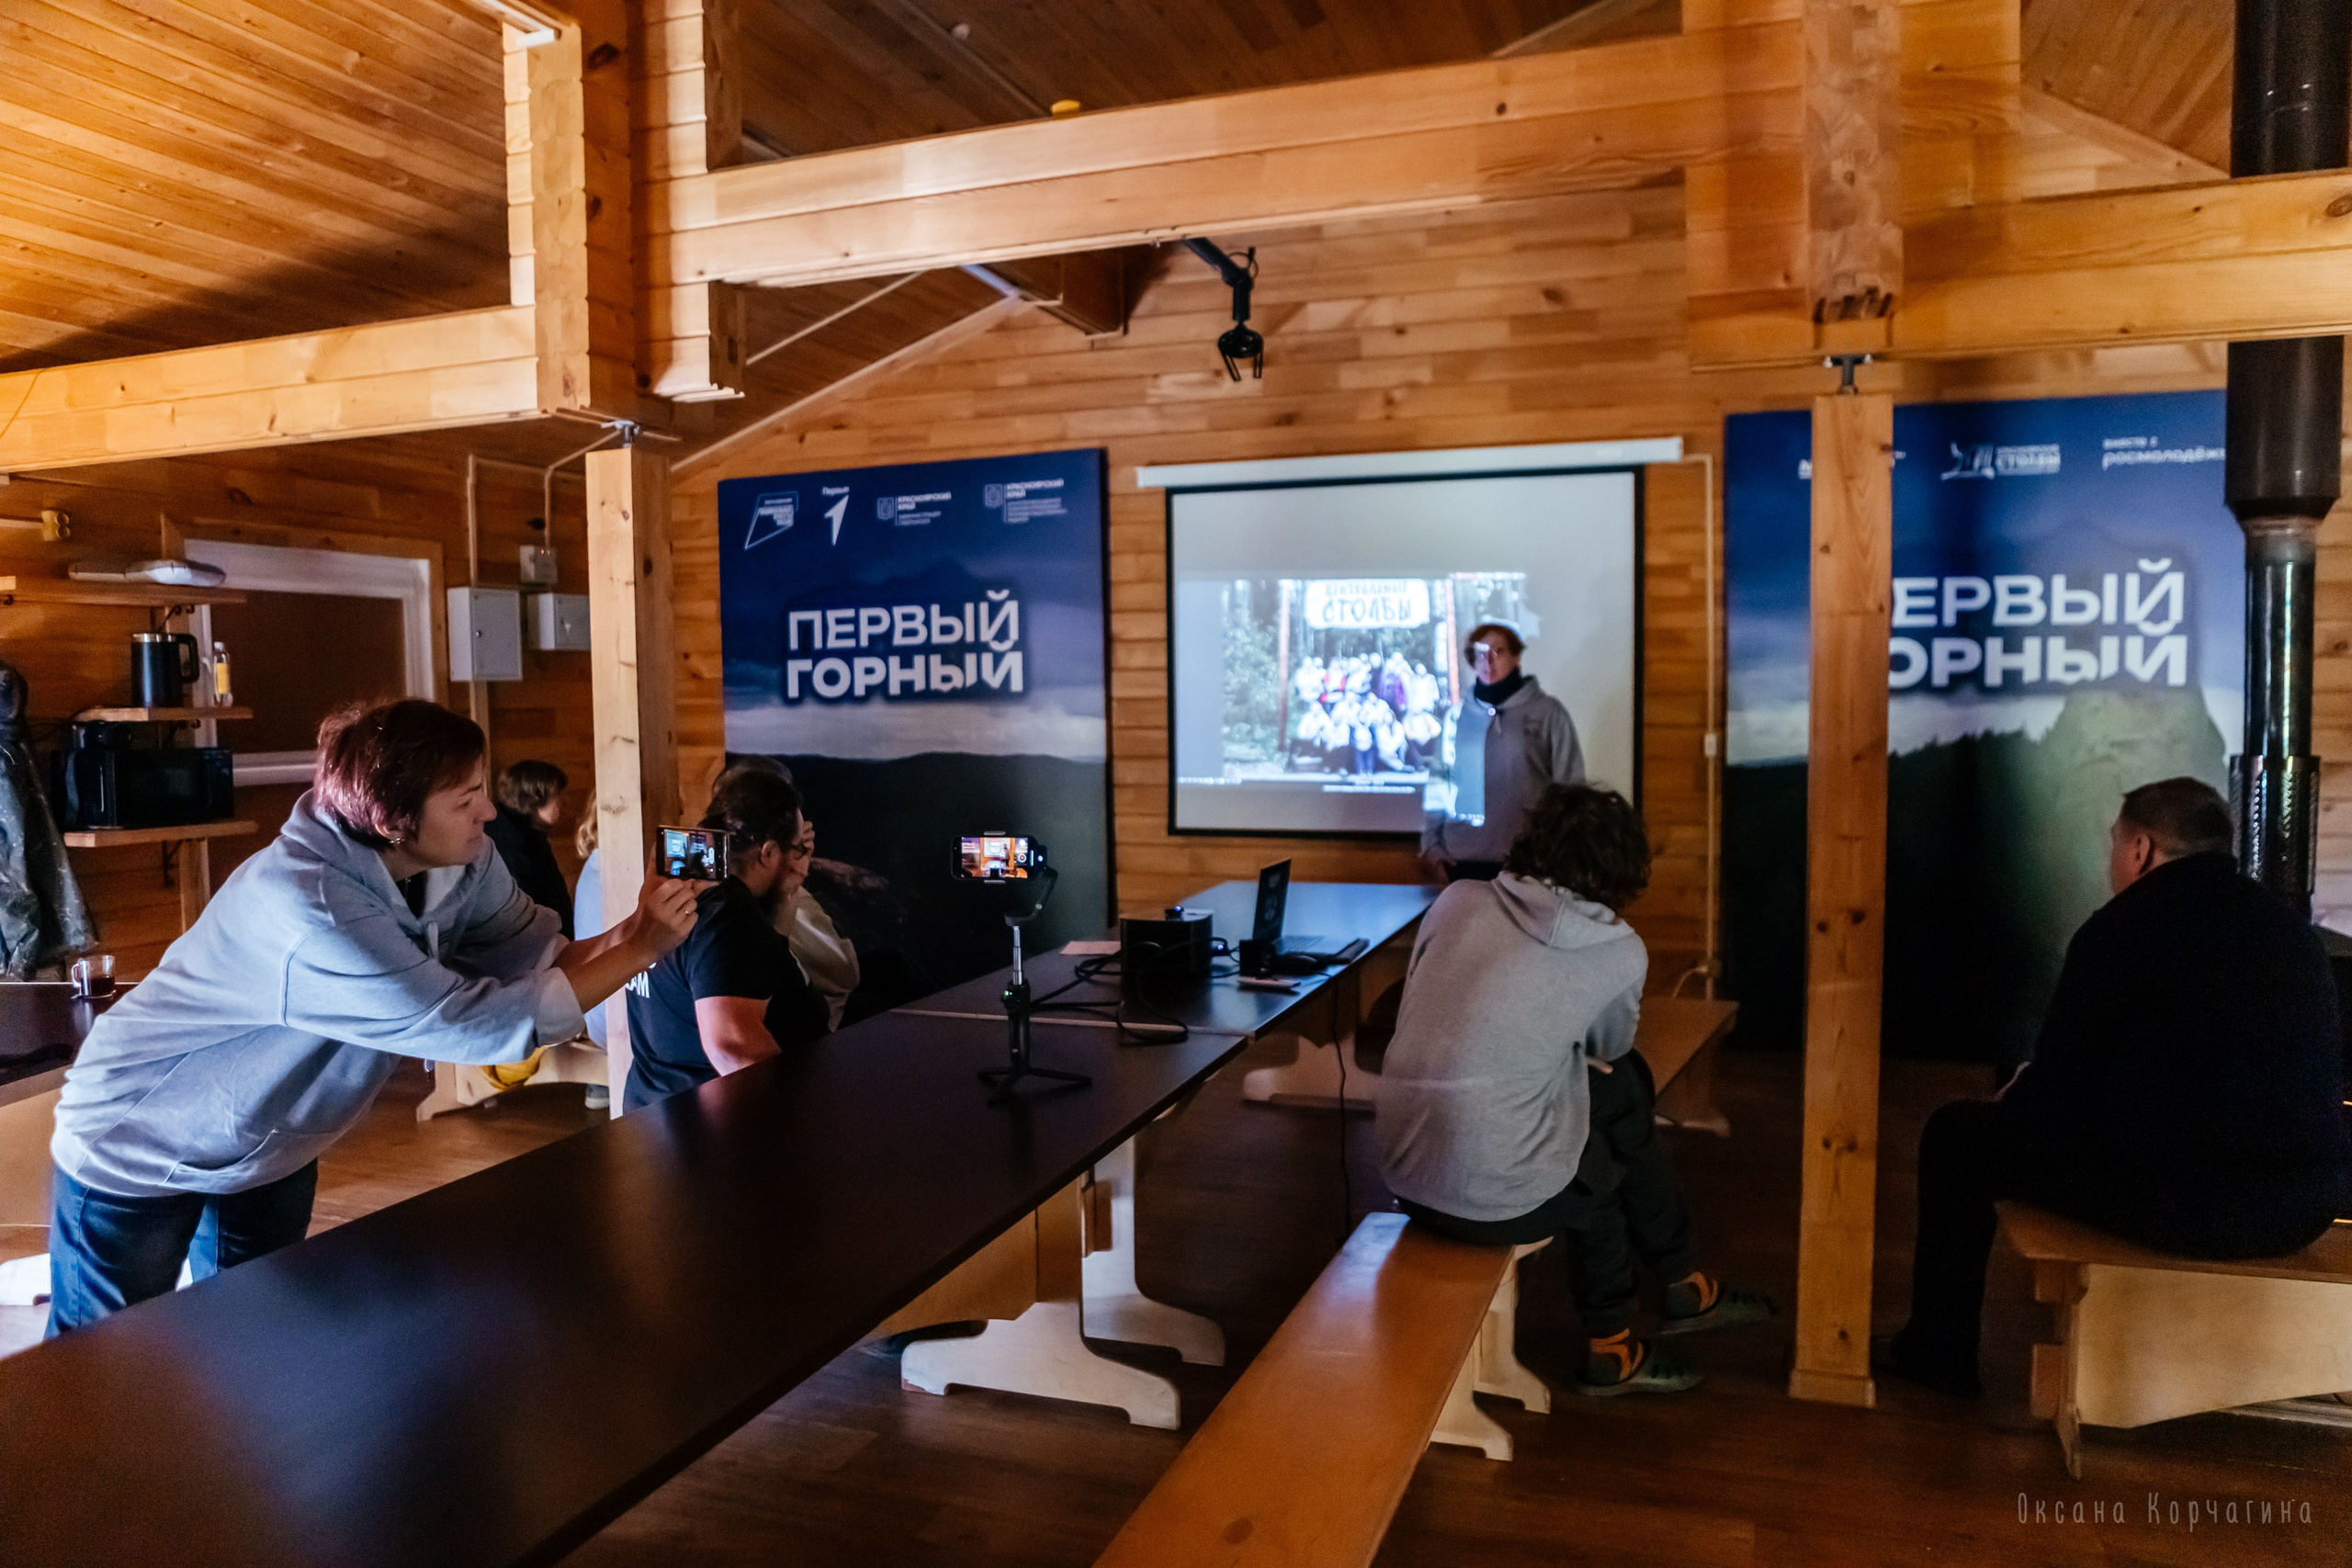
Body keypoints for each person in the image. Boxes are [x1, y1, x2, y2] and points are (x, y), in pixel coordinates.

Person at [44, 699, 699, 1333]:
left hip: (274, 1142)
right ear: (395, 818)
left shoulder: (465, 861)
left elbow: (544, 958)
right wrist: (643, 945)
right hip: (139, 1139)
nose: (489, 811)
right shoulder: (310, 906)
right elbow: (467, 1025)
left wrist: (643, 923)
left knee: (252, 1351)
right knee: (99, 1366)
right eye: (466, 799)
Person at [1881, 777, 2352, 1399]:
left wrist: (2012, 1101)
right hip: (2302, 1204)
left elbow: (2058, 1099)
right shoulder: (2292, 933)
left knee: (1955, 1136)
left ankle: (1938, 1350)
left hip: (2188, 1198)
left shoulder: (2120, 929)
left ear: (2140, 848)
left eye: (2114, 842)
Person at [1375, 783, 1772, 1395]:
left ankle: (1684, 1278)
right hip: (1484, 1197)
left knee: (1618, 1097)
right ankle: (1617, 1341)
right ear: (1621, 874)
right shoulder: (1618, 949)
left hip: (1402, 1168)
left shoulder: (1457, 899)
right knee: (1602, 1156)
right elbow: (1606, 1049)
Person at [622, 770, 832, 1111]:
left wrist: (786, 891)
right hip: (709, 1132)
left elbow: (752, 969)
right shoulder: (727, 916)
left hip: (654, 1108)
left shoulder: (674, 889)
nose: (799, 859)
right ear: (766, 853)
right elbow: (731, 1046)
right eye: (795, 848)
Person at [1422, 620, 1584, 882]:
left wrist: (1562, 854)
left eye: (1498, 651)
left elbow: (1571, 787)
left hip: (1529, 861)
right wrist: (1432, 845)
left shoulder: (1548, 712)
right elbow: (1440, 781)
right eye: (1480, 653)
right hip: (1464, 859)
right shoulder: (1456, 716)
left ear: (1516, 656)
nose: (1488, 661)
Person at [485, 757, 573, 937]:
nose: (565, 801)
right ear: (533, 798)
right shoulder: (510, 846)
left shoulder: (527, 835)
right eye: (558, 795)